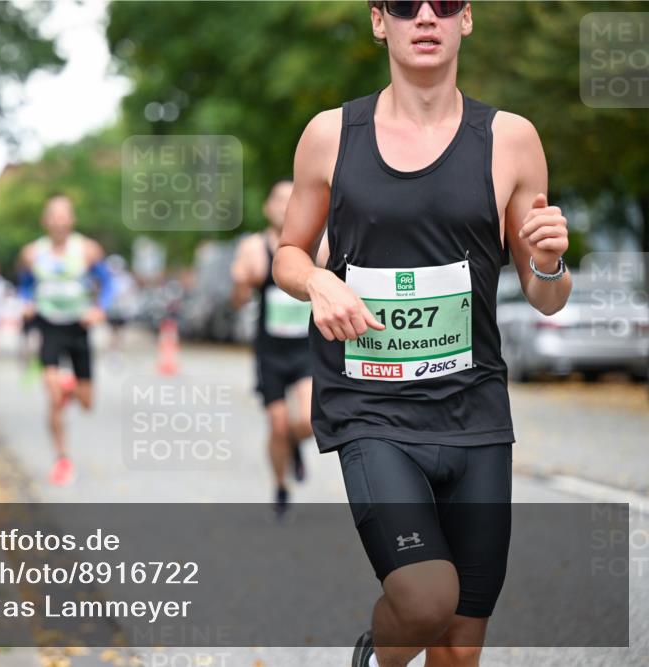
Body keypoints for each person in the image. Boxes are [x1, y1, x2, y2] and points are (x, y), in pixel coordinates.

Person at [272, 2, 571, 665]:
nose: (426, 16)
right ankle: (375, 653)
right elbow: (289, 253)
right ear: (381, 21)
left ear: (467, 20)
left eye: (446, 3)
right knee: (426, 597)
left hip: (475, 414)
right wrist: (320, 282)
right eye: (406, 5)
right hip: (371, 408)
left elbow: (546, 298)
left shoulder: (512, 139)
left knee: (461, 645)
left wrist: (550, 260)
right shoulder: (331, 135)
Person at [231, 180, 321, 515]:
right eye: (278, 199)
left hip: (306, 349)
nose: (284, 206)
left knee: (311, 420)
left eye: (291, 199)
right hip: (270, 352)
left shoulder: (314, 245)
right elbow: (237, 302)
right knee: (278, 424)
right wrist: (241, 283)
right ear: (267, 207)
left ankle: (296, 446)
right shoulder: (253, 247)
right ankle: (281, 484)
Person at [17, 194, 116, 485]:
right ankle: (61, 459)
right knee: (52, 393)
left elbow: (108, 283)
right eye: (53, 215)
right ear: (45, 221)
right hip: (48, 325)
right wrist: (26, 301)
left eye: (64, 215)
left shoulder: (87, 250)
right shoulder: (33, 253)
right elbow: (24, 285)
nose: (59, 221)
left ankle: (70, 388)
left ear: (72, 220)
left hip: (78, 326)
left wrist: (100, 309)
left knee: (86, 403)